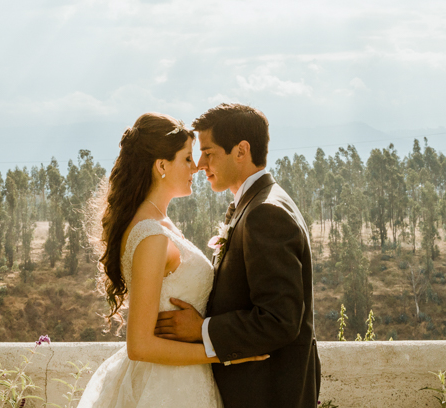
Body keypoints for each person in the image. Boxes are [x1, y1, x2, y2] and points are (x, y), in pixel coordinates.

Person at [77, 112, 265, 408]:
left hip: (185, 380)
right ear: (162, 166)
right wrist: (223, 351)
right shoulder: (151, 236)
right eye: (187, 159)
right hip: (167, 387)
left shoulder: (160, 223)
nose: (197, 167)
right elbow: (139, 346)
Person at [155, 103, 321, 408]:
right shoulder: (256, 204)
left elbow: (279, 320)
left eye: (209, 152)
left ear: (241, 150)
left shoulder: (266, 213)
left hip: (268, 396)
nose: (201, 164)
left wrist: (202, 329)